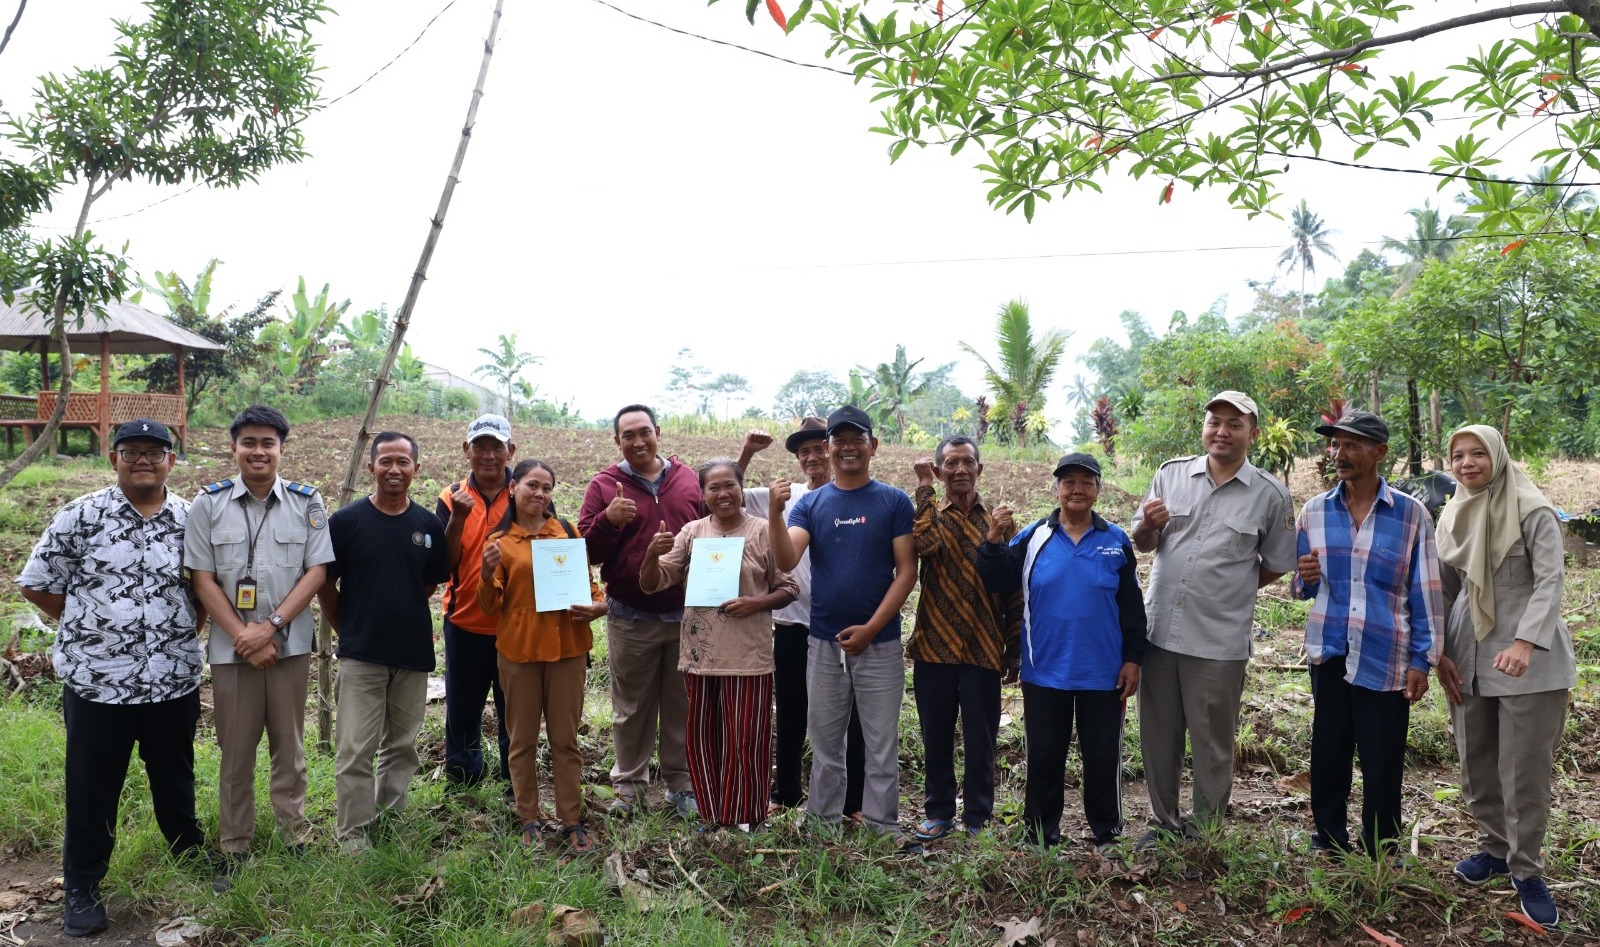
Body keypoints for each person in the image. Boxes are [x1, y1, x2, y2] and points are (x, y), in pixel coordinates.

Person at [17, 420, 222, 937]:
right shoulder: (81, 515)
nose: (143, 461)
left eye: (155, 452)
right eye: (132, 452)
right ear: (114, 459)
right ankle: (83, 885)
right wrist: (91, 625)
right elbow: (38, 584)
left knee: (175, 775)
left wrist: (180, 631)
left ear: (171, 460)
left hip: (171, 678)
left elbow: (204, 591)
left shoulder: (192, 520)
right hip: (98, 682)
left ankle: (189, 852)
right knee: (92, 787)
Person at [1127, 390, 1296, 847]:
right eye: (1214, 422)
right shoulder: (1171, 474)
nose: (1222, 432)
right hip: (1160, 631)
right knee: (1158, 737)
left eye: (1234, 424)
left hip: (1218, 639)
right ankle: (1163, 823)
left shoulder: (1270, 495)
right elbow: (1143, 541)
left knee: (1213, 743)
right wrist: (1148, 525)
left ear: (1252, 434)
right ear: (1204, 428)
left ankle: (1205, 833)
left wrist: (1232, 586)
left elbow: (1277, 563)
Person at [1435, 425, 1575, 927]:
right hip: (1467, 656)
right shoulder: (1452, 514)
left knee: (1523, 770)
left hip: (1527, 661)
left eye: (1478, 453)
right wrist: (1439, 652)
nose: (1467, 463)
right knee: (1476, 760)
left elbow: (1550, 580)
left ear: (1497, 456)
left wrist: (1525, 642)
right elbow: (1444, 589)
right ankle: (1494, 850)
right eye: (1458, 455)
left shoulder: (1533, 510)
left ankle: (1527, 870)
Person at [185, 405, 334, 873]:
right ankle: (235, 844)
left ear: (281, 449)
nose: (258, 451)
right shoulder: (207, 504)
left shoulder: (307, 502)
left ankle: (295, 836)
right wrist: (244, 636)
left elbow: (317, 572)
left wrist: (268, 627)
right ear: (234, 448)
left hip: (289, 646)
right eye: (248, 442)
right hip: (233, 653)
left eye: (268, 443)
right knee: (235, 751)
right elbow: (202, 578)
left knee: (290, 747)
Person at [768, 405, 919, 853]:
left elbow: (907, 571)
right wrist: (775, 513)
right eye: (840, 440)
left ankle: (882, 825)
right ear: (829, 447)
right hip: (823, 642)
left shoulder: (894, 501)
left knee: (880, 741)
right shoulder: (810, 504)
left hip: (881, 644)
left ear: (873, 446)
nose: (848, 447)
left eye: (858, 440)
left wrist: (872, 628)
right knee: (826, 741)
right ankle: (823, 823)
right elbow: (786, 559)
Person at [1292, 409, 1441, 858]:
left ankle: (1381, 847)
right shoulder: (1314, 511)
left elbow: (1426, 591)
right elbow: (1302, 587)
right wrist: (1305, 578)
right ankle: (1329, 838)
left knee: (1383, 758)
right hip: (1331, 649)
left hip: (1385, 651)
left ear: (1380, 452)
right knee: (1329, 749)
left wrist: (1423, 659)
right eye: (1335, 444)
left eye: (1351, 445)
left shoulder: (1411, 515)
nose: (1338, 453)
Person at [977, 453, 1146, 850]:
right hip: (1045, 669)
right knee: (1044, 756)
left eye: (1087, 482)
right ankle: (1040, 834)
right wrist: (992, 540)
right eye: (1069, 482)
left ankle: (1107, 832)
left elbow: (1132, 607)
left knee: (1102, 757)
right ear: (1056, 489)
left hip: (1104, 672)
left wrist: (1133, 659)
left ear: (1098, 490)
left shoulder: (1116, 541)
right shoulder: (1034, 537)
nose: (1077, 489)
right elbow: (998, 578)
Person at [642, 458, 798, 830]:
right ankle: (713, 814)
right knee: (703, 739)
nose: (723, 493)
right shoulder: (692, 532)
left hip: (748, 656)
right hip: (701, 657)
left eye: (730, 485)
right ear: (703, 493)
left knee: (748, 740)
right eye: (714, 487)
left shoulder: (762, 530)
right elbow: (653, 583)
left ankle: (751, 817)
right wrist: (651, 554)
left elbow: (789, 588)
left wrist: (755, 603)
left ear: (742, 489)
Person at [318, 432, 450, 850]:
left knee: (402, 746)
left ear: (416, 469)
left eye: (403, 462)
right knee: (355, 749)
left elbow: (428, 583)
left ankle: (389, 821)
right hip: (361, 654)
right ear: (371, 466)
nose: (394, 470)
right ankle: (353, 834)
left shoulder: (428, 524)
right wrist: (347, 629)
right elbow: (325, 583)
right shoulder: (346, 522)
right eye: (386, 461)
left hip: (412, 652)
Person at [578, 404, 705, 819]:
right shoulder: (604, 485)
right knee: (631, 707)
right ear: (617, 441)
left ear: (658, 433)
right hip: (631, 617)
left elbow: (712, 528)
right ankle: (629, 787)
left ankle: (680, 785)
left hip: (685, 615)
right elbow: (587, 552)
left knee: (681, 705)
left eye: (644, 432)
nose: (638, 441)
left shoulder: (687, 478)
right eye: (628, 435)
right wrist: (608, 520)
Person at [736, 419, 867, 815]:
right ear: (797, 459)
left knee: (849, 716)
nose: (812, 457)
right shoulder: (786, 496)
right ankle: (787, 792)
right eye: (803, 452)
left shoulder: (853, 496)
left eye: (818, 448)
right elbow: (727, 494)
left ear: (832, 450)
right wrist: (747, 452)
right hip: (793, 624)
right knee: (792, 712)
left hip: (841, 626)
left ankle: (852, 801)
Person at [477, 459, 608, 854]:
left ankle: (571, 820)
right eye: (532, 485)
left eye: (547, 487)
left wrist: (597, 606)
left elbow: (590, 589)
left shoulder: (565, 532)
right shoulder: (500, 541)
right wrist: (486, 574)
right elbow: (489, 606)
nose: (539, 493)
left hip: (568, 649)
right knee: (522, 741)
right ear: (513, 487)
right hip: (519, 652)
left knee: (566, 740)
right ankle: (528, 818)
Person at [907, 435, 1022, 841]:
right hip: (934, 647)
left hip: (983, 647)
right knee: (936, 738)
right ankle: (938, 812)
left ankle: (978, 818)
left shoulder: (1000, 522)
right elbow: (924, 545)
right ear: (939, 471)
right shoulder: (929, 515)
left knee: (982, 740)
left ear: (979, 469)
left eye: (967, 462)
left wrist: (1013, 646)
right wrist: (923, 489)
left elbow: (1013, 589)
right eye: (950, 463)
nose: (959, 470)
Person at [437, 414, 517, 792]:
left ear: (510, 450)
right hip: (464, 621)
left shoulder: (524, 492)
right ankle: (463, 780)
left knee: (513, 709)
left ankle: (514, 781)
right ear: (465, 450)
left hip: (513, 624)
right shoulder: (451, 496)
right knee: (462, 707)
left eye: (496, 446)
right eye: (479, 446)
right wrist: (458, 516)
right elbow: (444, 564)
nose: (488, 455)